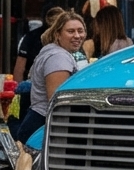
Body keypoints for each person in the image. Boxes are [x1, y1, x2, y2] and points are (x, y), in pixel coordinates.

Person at [12, 12, 87, 144]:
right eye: (70, 31)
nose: (77, 36)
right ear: (57, 34)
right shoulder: (58, 57)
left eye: (80, 31)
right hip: (43, 126)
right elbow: (58, 103)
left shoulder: (53, 51)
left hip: (37, 122)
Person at [13, 6, 64, 120]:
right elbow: (19, 68)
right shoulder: (33, 37)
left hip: (35, 94)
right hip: (39, 92)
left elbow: (19, 67)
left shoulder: (31, 36)